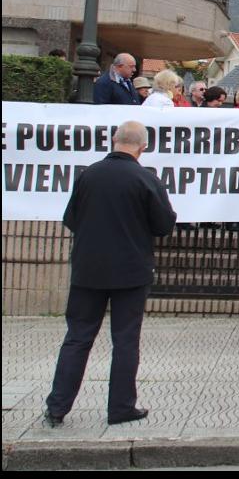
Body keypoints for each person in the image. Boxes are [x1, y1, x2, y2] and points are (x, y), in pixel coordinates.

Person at [43, 121, 177, 427]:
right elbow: (163, 226)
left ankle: (57, 407)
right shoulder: (146, 179)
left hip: (88, 269)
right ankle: (120, 408)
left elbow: (71, 218)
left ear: (114, 140)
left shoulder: (88, 174)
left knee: (77, 338)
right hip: (131, 270)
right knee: (126, 340)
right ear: (143, 147)